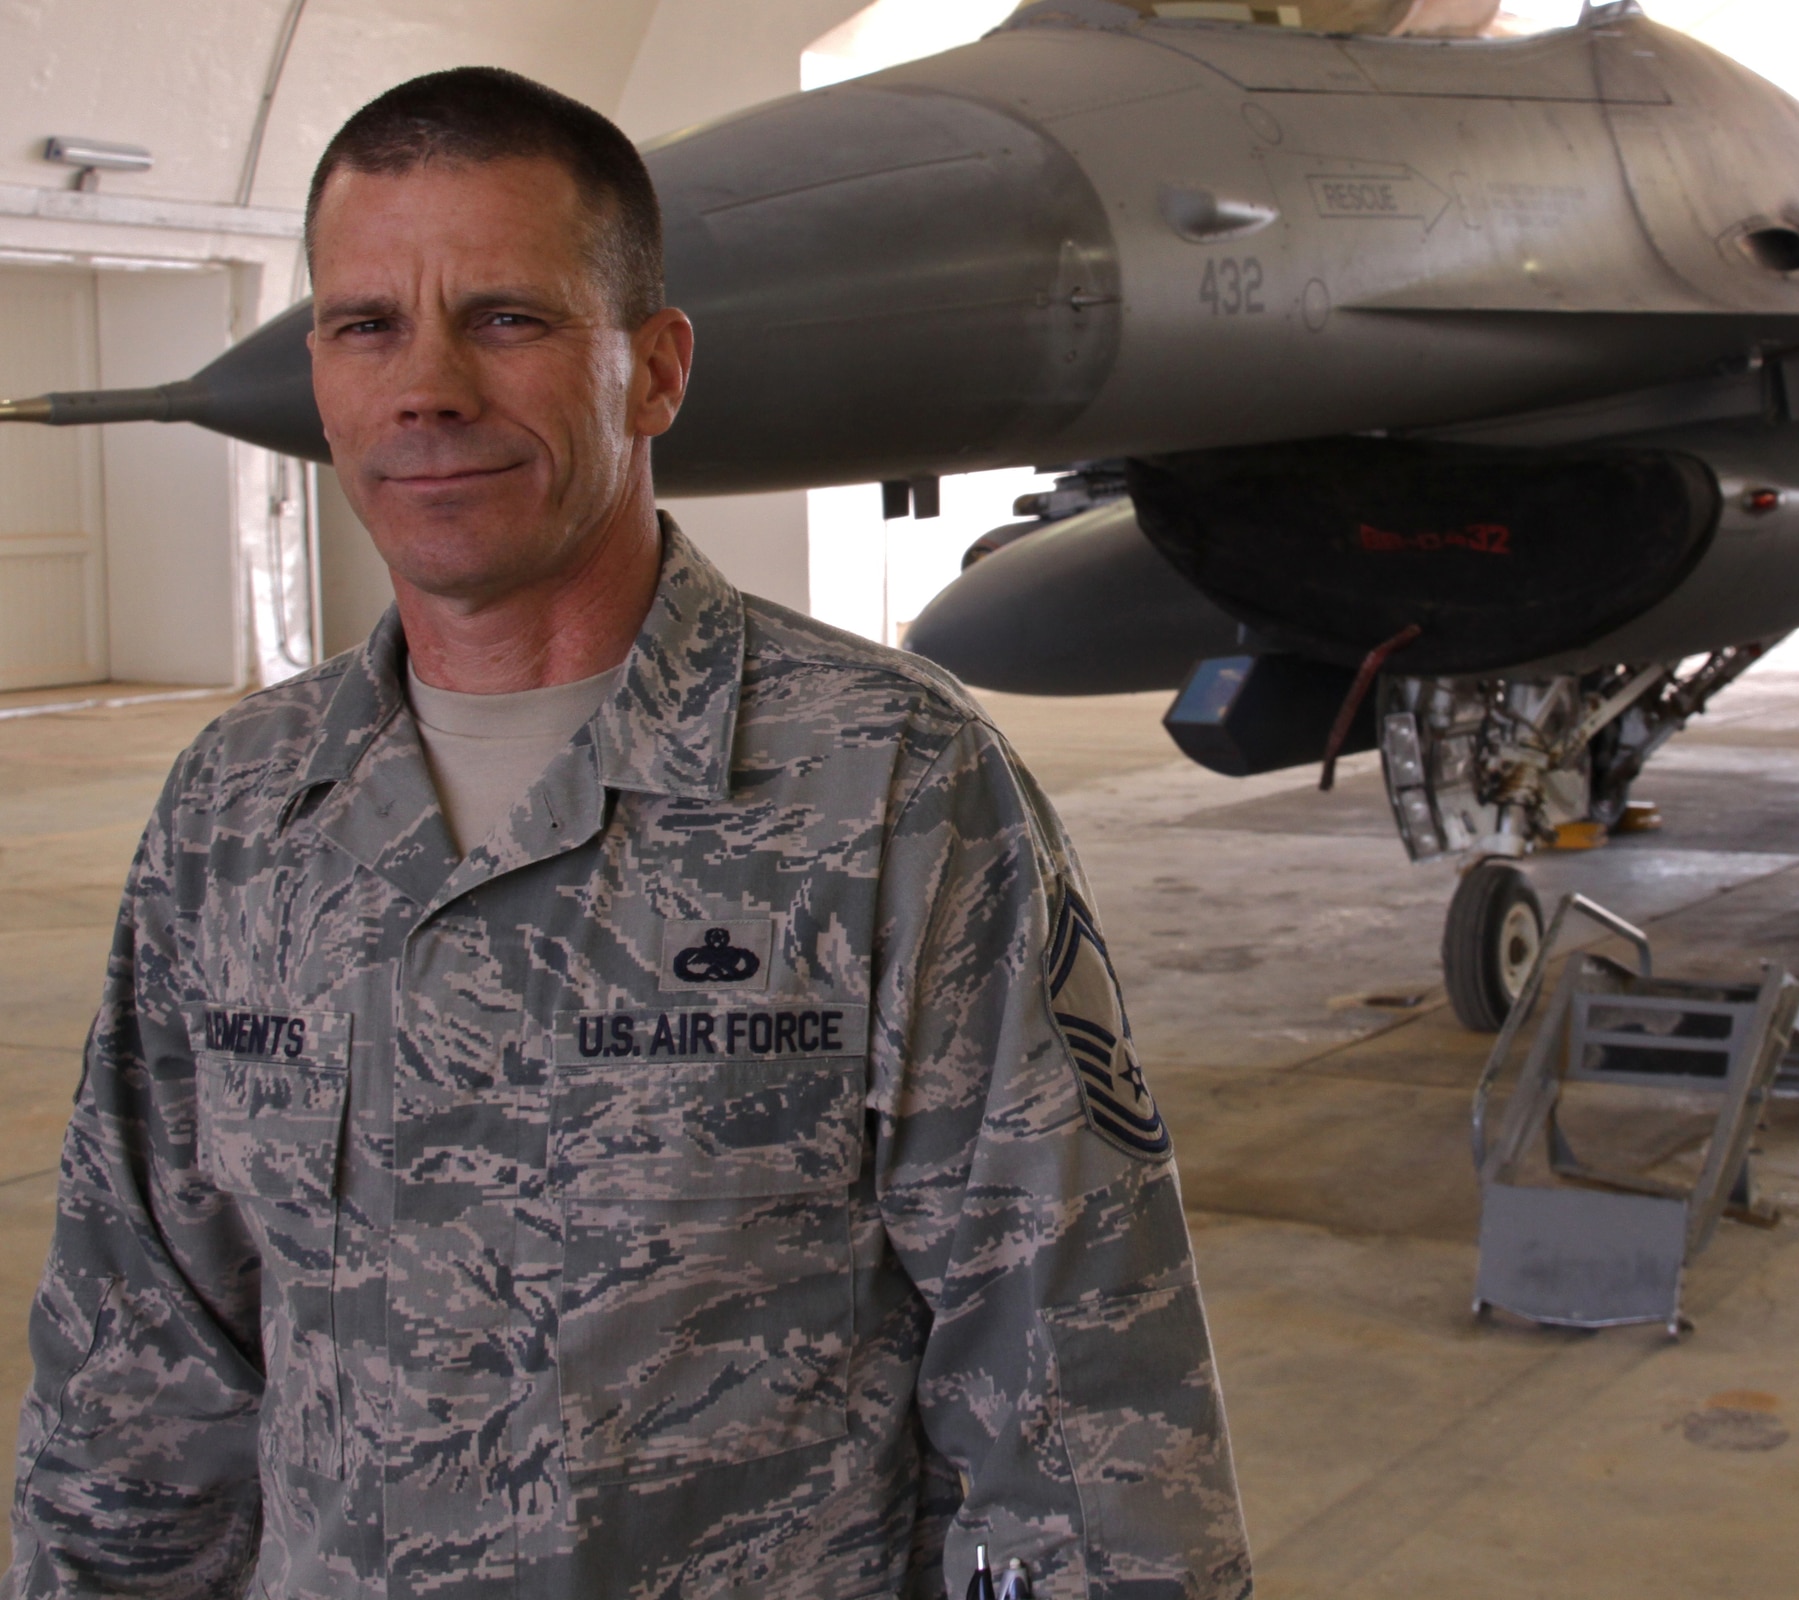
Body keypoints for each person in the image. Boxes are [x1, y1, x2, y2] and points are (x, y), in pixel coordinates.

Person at [4, 67, 1251, 1600]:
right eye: (366, 324)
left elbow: (1075, 1388)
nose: (428, 389)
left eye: (509, 319)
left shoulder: (886, 787)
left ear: (655, 371)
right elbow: (139, 1365)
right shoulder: (237, 808)